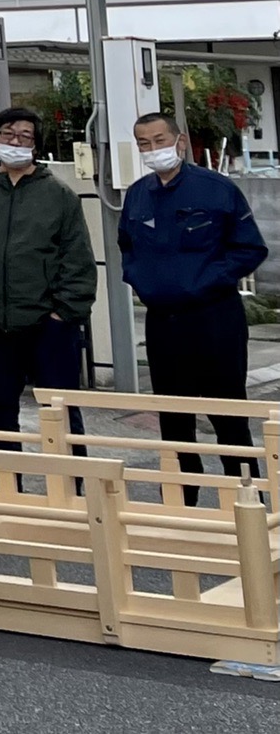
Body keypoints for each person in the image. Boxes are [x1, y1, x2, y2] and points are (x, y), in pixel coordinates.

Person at [118, 110, 269, 501]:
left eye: (160, 141)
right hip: (163, 320)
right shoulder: (137, 194)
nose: (154, 150)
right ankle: (184, 501)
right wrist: (143, 283)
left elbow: (249, 248)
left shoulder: (216, 189)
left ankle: (246, 500)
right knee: (174, 417)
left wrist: (203, 283)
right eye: (145, 144)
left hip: (215, 317)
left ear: (179, 141)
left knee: (228, 413)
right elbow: (128, 249)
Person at [0, 106, 97, 449]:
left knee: (59, 412)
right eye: (7, 134)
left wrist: (62, 314)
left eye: (25, 136)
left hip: (50, 325)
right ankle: (3, 489)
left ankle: (70, 492)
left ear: (36, 146)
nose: (15, 141)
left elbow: (79, 262)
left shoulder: (59, 195)